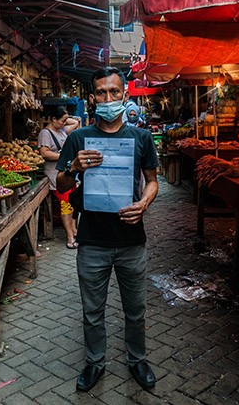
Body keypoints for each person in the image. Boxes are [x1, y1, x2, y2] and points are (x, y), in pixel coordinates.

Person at [56, 67, 160, 392]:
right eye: (101, 93)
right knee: (92, 311)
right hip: (92, 241)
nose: (108, 98)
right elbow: (60, 183)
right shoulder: (78, 138)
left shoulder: (140, 138)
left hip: (131, 240)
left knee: (135, 309)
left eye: (114, 92)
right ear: (92, 98)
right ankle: (94, 363)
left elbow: (153, 182)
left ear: (124, 95)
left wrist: (143, 204)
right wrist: (73, 167)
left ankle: (137, 360)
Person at [38, 106, 81, 248]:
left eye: (64, 120)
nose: (64, 123)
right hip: (55, 175)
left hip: (68, 174)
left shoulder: (61, 130)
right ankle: (69, 237)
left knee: (73, 203)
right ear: (53, 119)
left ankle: (74, 231)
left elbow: (75, 123)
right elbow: (44, 153)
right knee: (66, 206)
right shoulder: (46, 133)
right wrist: (64, 157)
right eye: (61, 120)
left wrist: (65, 118)